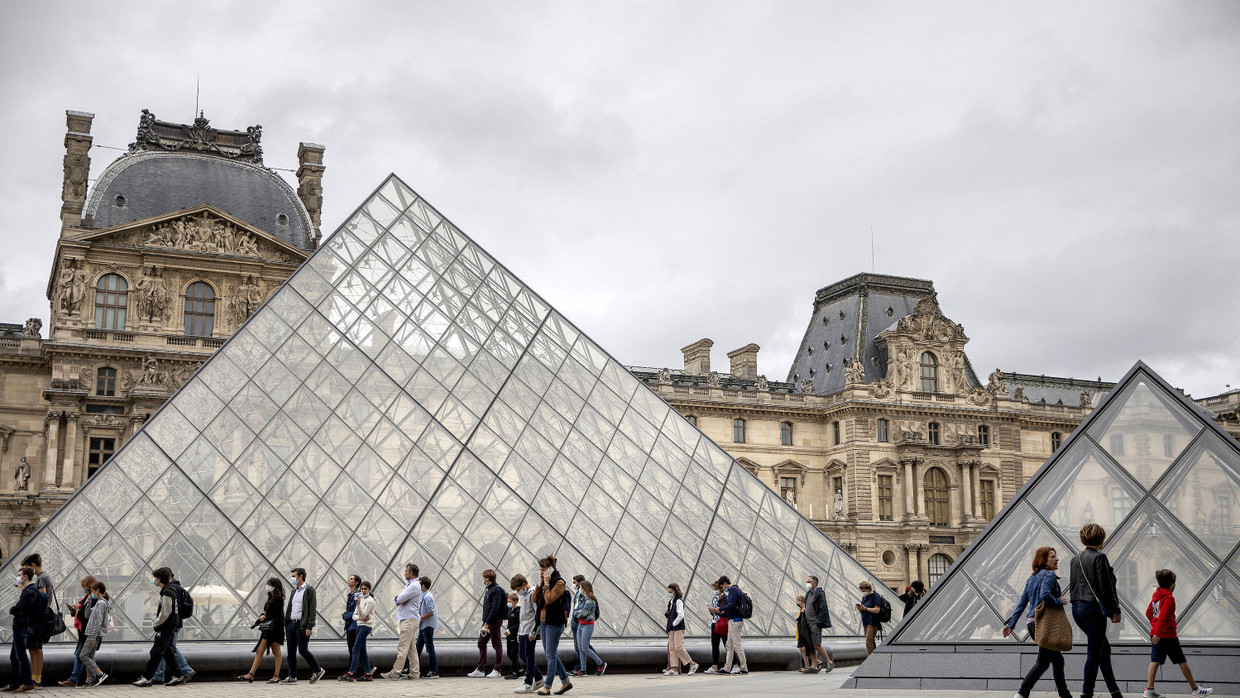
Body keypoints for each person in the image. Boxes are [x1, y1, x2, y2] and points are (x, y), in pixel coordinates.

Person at [1001, 546, 1072, 698]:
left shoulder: (1031, 578)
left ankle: (1064, 694)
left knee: (1057, 660)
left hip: (1032, 624)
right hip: (1045, 624)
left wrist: (1011, 625)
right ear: (1043, 561)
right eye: (1052, 557)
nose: (1057, 559)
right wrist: (1059, 601)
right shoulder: (1049, 575)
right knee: (1043, 662)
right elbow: (1045, 594)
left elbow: (1021, 603)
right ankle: (1021, 693)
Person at [1069, 523, 1123, 698]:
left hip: (1077, 609)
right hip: (1093, 610)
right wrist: (1115, 610)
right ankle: (1086, 694)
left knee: (1103, 649)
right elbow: (1106, 588)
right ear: (1101, 538)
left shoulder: (1074, 558)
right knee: (1094, 651)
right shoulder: (1099, 557)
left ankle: (1115, 692)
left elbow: (1073, 586)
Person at [1144, 569, 1212, 698]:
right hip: (1167, 635)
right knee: (1181, 660)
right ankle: (1195, 689)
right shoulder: (1169, 598)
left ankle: (1149, 690)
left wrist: (1155, 625)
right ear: (1171, 584)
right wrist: (1159, 631)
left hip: (1156, 633)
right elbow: (1163, 616)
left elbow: (1148, 613)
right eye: (1174, 582)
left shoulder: (1156, 597)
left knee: (1155, 660)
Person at [132, 567, 185, 687]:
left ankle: (147, 678)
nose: (154, 580)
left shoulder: (166, 591)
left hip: (165, 627)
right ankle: (178, 675)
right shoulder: (172, 590)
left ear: (160, 579)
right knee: (168, 652)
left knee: (156, 652)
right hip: (172, 626)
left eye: (155, 578)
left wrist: (156, 622)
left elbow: (166, 612)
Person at [532, 554, 572, 695]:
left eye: (542, 569)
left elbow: (549, 599)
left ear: (550, 568)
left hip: (554, 622)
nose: (541, 572)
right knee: (551, 654)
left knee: (550, 654)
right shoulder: (544, 581)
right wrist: (540, 582)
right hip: (543, 622)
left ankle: (547, 686)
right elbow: (535, 598)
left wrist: (547, 583)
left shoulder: (559, 583)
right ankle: (565, 681)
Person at [281, 567, 325, 684]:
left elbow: (312, 609)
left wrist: (310, 626)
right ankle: (292, 676)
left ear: (301, 577)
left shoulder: (309, 590)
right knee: (290, 652)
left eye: (294, 576)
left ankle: (318, 670)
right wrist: (287, 624)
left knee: (303, 650)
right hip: (291, 624)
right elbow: (290, 608)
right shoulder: (293, 591)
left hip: (302, 624)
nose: (292, 578)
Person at [239, 577, 285, 683]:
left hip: (275, 629)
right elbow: (267, 613)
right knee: (261, 650)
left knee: (275, 651)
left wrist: (261, 620)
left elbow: (276, 615)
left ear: (275, 586)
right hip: (269, 629)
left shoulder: (278, 599)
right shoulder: (271, 598)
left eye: (270, 584)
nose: (267, 586)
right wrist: (262, 615)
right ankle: (251, 674)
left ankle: (275, 676)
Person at [152, 574, 195, 685]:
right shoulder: (177, 588)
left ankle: (185, 671)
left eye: (157, 578)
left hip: (171, 625)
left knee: (169, 648)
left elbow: (170, 610)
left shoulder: (171, 589)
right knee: (168, 648)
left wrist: (158, 623)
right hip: (175, 624)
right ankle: (159, 675)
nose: (155, 580)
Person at [382, 563, 422, 680]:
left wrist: (400, 599)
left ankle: (395, 672)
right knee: (411, 649)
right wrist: (401, 599)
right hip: (411, 619)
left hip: (408, 620)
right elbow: (401, 599)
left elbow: (399, 599)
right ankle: (415, 673)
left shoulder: (413, 586)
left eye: (406, 571)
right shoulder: (413, 585)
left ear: (411, 573)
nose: (404, 573)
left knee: (402, 648)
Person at [59, 575, 98, 687]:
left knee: (81, 655)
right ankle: (89, 678)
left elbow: (87, 615)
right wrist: (73, 611)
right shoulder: (87, 597)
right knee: (83, 655)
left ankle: (80, 678)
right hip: (83, 631)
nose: (83, 588)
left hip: (87, 631)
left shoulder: (93, 598)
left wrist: (76, 611)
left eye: (84, 586)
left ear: (90, 586)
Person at [19, 554, 51, 688]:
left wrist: (26, 591)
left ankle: (36, 679)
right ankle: (35, 678)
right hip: (41, 618)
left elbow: (42, 597)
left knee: (35, 650)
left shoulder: (41, 578)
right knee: (34, 649)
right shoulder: (45, 576)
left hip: (38, 619)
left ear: (32, 565)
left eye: (27, 567)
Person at [470, 568, 507, 678]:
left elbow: (495, 609)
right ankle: (481, 669)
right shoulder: (489, 589)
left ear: (488, 578)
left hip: (493, 621)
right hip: (487, 621)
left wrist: (486, 623)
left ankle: (497, 669)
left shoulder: (497, 590)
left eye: (483, 577)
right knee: (481, 643)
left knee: (496, 644)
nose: (482, 579)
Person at [7, 566, 39, 692]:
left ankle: (27, 682)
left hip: (21, 626)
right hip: (21, 625)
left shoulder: (30, 591)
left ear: (25, 576)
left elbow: (18, 608)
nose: (18, 577)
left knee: (20, 656)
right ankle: (14, 683)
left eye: (19, 574)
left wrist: (13, 609)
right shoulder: (29, 590)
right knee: (14, 657)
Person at [511, 574, 543, 694]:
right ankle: (539, 678)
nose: (518, 592)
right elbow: (523, 616)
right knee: (523, 655)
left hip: (530, 631)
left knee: (529, 656)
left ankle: (529, 683)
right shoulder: (525, 594)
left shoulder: (532, 594)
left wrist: (534, 632)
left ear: (524, 585)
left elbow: (537, 614)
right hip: (523, 630)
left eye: (518, 589)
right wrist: (519, 633)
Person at [77, 581, 110, 687]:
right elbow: (87, 614)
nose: (91, 593)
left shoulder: (101, 603)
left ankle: (100, 674)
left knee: (83, 655)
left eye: (92, 591)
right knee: (90, 655)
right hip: (93, 633)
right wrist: (90, 599)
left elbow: (98, 621)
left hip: (94, 633)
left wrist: (93, 635)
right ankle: (89, 679)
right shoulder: (99, 602)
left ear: (97, 590)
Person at [570, 580, 605, 678]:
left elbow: (581, 614)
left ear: (585, 588)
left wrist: (578, 612)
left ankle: (600, 663)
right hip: (581, 625)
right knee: (581, 648)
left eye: (581, 588)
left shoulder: (590, 601)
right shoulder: (583, 599)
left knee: (584, 648)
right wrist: (578, 612)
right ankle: (583, 670)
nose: (579, 589)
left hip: (588, 625)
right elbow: (576, 611)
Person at [341, 581, 375, 682]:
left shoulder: (370, 601)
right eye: (361, 589)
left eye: (365, 589)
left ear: (369, 589)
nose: (363, 591)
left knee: (355, 649)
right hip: (360, 625)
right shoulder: (360, 599)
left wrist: (359, 607)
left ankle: (351, 673)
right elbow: (354, 616)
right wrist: (360, 617)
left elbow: (363, 615)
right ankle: (368, 673)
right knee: (362, 651)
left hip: (366, 626)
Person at [716, 575, 748, 675]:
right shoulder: (734, 589)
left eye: (722, 587)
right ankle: (727, 667)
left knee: (737, 644)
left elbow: (731, 605)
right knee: (729, 645)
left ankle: (743, 667)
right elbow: (731, 607)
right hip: (732, 620)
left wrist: (720, 609)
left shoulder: (733, 590)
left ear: (725, 584)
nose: (722, 589)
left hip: (735, 621)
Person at [663, 583, 697, 675]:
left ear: (675, 591)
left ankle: (692, 663)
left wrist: (674, 623)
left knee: (678, 647)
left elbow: (681, 615)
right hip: (671, 628)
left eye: (670, 592)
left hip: (677, 628)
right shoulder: (671, 602)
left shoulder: (678, 601)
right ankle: (674, 668)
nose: (669, 593)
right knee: (672, 648)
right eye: (668, 592)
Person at [805, 574, 834, 672]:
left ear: (814, 583)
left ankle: (829, 662)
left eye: (809, 582)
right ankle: (813, 666)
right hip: (808, 623)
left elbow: (823, 608)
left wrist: (818, 622)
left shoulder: (819, 593)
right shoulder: (808, 593)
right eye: (807, 582)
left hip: (815, 623)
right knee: (811, 645)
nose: (807, 583)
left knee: (817, 644)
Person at [415, 577, 439, 679]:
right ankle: (413, 668)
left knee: (430, 648)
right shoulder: (424, 595)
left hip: (427, 625)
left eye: (420, 584)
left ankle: (434, 671)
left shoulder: (428, 597)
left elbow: (431, 612)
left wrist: (420, 618)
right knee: (418, 647)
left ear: (423, 586)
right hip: (424, 625)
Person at [703, 581, 725, 674]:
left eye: (715, 589)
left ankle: (735, 664)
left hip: (722, 623)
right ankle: (715, 665)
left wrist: (715, 610)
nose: (714, 591)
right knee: (715, 645)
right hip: (715, 623)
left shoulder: (725, 598)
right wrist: (711, 610)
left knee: (727, 645)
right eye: (714, 589)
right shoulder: (715, 598)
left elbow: (724, 610)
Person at [855, 581, 882, 656]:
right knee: (871, 642)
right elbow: (863, 610)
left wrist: (865, 608)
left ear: (868, 589)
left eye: (863, 590)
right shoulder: (864, 597)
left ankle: (871, 661)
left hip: (872, 622)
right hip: (865, 622)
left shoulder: (875, 596)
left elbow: (877, 610)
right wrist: (860, 608)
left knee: (868, 643)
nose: (863, 592)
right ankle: (876, 658)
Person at [342, 574, 361, 665]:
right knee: (352, 648)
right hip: (350, 624)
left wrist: (345, 615)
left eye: (351, 579)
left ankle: (351, 670)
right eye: (349, 578)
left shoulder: (357, 594)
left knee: (352, 648)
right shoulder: (350, 594)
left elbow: (356, 610)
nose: (349, 580)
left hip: (354, 625)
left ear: (357, 582)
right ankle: (369, 668)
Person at [505, 592, 524, 679]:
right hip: (509, 635)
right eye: (508, 601)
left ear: (515, 601)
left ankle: (514, 672)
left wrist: (510, 630)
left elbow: (518, 624)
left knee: (514, 654)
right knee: (509, 653)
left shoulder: (518, 611)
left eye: (510, 601)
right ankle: (519, 669)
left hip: (515, 636)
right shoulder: (510, 610)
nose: (508, 602)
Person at [795, 593, 813, 672]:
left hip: (804, 632)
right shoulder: (801, 609)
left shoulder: (805, 608)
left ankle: (816, 663)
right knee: (802, 649)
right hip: (800, 631)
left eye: (798, 600)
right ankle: (807, 666)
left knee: (804, 649)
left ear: (802, 600)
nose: (797, 602)